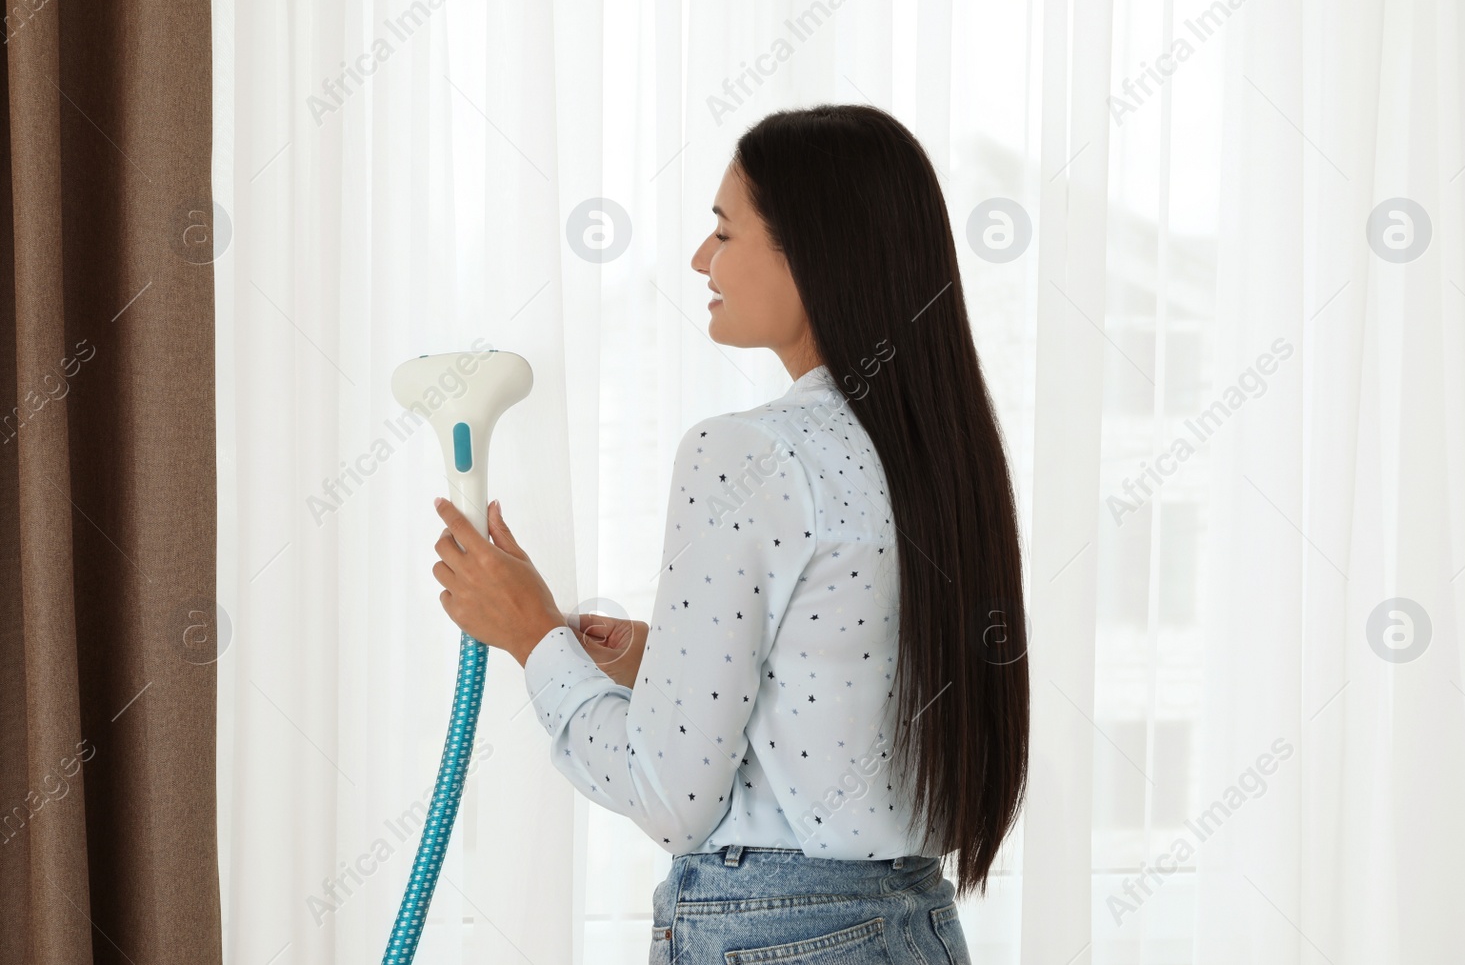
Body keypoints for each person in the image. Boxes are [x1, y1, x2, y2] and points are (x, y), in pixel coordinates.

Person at [428, 103, 1029, 964]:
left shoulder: (746, 451)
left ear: (814, 251)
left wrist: (532, 638)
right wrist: (659, 657)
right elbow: (850, 676)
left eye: (724, 231)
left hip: (774, 938)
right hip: (920, 930)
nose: (700, 259)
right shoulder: (941, 458)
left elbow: (669, 795)